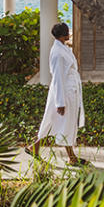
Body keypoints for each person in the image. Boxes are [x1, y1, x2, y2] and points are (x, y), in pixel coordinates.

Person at [28, 22, 86, 165]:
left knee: (53, 121)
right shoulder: (58, 54)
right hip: (63, 93)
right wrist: (60, 102)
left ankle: (33, 148)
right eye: (68, 31)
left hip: (67, 90)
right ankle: (71, 158)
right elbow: (58, 77)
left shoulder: (63, 48)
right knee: (64, 123)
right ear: (64, 34)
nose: (69, 33)